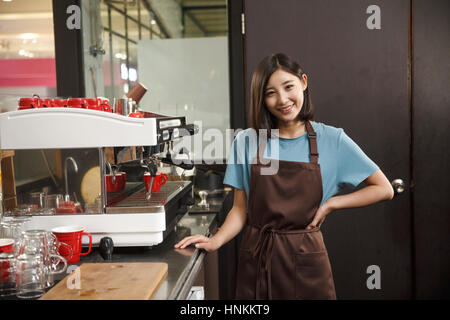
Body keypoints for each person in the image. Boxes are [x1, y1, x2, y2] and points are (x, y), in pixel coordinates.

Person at [174, 53, 394, 300]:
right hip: (257, 258)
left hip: (308, 262)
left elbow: (384, 188)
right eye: (270, 93)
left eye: (288, 87)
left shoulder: (332, 140)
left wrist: (332, 204)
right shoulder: (247, 141)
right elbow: (239, 209)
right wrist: (215, 241)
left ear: (304, 82)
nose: (282, 99)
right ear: (261, 99)